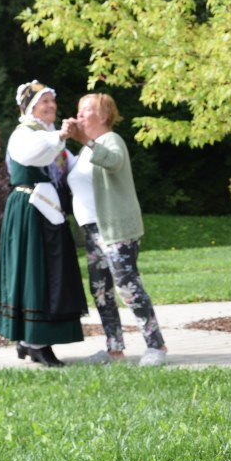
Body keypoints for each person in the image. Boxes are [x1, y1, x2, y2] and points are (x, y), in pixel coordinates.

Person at [62, 94, 167, 366]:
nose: (81, 116)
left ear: (104, 116)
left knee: (128, 287)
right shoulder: (86, 150)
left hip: (116, 229)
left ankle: (156, 346)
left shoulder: (111, 140)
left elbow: (114, 161)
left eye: (87, 111)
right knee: (100, 291)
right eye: (79, 111)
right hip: (93, 232)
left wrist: (83, 139)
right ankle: (114, 349)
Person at [0, 80, 87, 367]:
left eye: (51, 101)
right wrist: (61, 135)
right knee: (37, 272)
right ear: (29, 107)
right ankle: (37, 343)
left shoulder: (49, 135)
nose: (50, 106)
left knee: (46, 271)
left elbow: (74, 167)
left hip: (47, 209)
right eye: (43, 102)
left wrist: (94, 146)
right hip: (30, 208)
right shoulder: (25, 133)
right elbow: (34, 154)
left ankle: (28, 341)